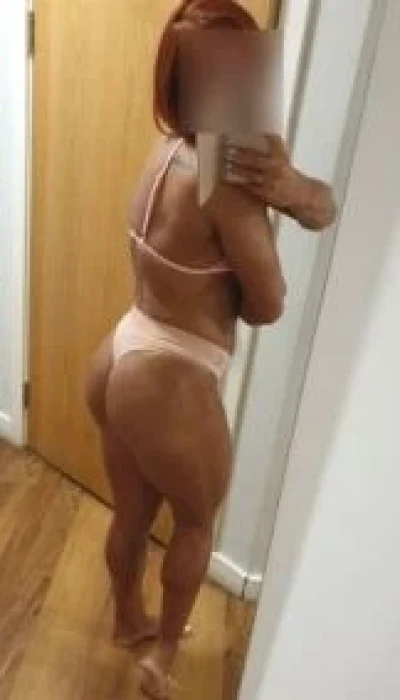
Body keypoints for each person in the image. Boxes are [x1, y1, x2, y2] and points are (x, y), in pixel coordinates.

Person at [85, 1, 335, 697]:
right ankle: (161, 659)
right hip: (169, 375)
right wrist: (256, 241)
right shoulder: (223, 186)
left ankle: (128, 618)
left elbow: (318, 208)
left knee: (133, 513)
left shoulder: (164, 151)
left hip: (121, 353)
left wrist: (285, 189)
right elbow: (269, 304)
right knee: (195, 523)